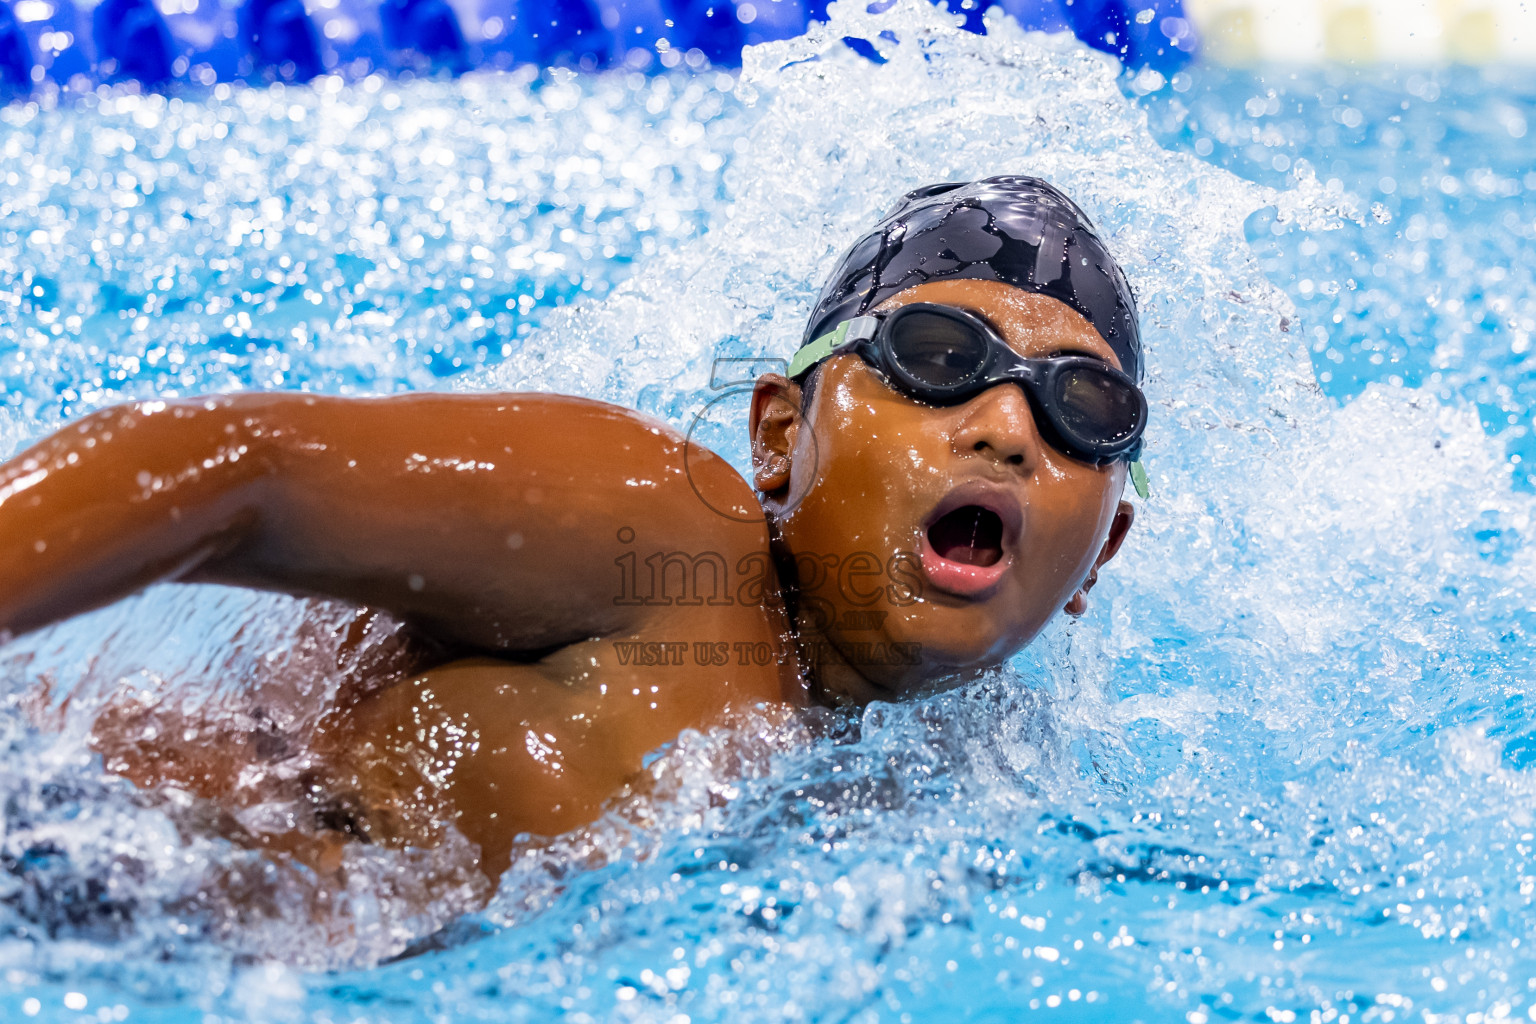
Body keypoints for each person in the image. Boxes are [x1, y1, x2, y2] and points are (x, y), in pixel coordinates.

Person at [0, 176, 1146, 880]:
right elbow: (233, 468)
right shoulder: (668, 534)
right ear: (779, 432)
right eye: (938, 359)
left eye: (1079, 410)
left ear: (1099, 554)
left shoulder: (972, 781)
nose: (1004, 425)